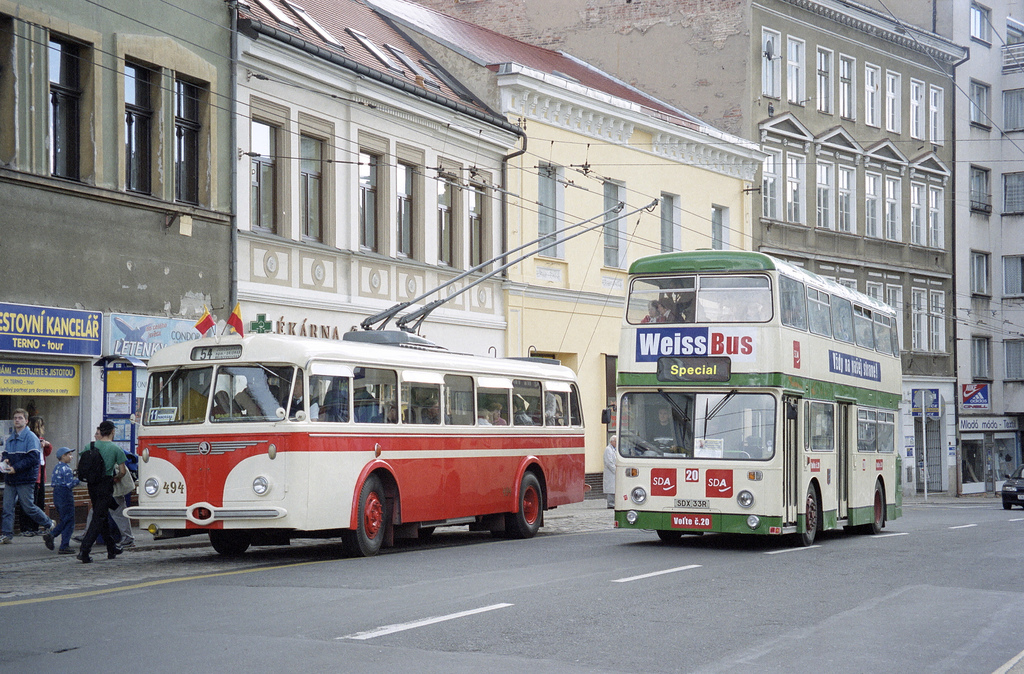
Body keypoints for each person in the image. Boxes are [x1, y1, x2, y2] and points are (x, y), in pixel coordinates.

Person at [0, 408, 56, 547]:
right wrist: (5, 460)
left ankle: (49, 523)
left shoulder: (31, 437)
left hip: (25, 479)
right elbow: (5, 454)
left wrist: (16, 468)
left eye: (20, 418)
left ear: (26, 421)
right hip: (11, 479)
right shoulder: (11, 438)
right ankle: (6, 534)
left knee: (28, 507)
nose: (17, 420)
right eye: (15, 418)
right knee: (7, 508)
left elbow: (32, 458)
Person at [76, 420, 127, 563]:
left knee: (101, 515)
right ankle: (84, 550)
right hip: (106, 483)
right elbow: (122, 471)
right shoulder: (116, 449)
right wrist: (116, 478)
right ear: (112, 432)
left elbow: (81, 464)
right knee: (98, 517)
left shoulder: (90, 446)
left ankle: (111, 548)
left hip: (92, 484)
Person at [19, 416, 52, 536]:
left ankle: (35, 526)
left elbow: (47, 452)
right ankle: (26, 527)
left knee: (39, 501)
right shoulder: (28, 438)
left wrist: (47, 444)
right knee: (29, 502)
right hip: (32, 473)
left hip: (40, 472)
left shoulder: (41, 439)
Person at [50, 447, 79, 554]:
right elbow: (69, 484)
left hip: (56, 493)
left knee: (64, 518)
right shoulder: (66, 469)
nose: (71, 457)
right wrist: (79, 479)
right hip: (65, 494)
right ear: (63, 456)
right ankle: (55, 537)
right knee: (69, 520)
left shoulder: (56, 467)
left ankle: (62, 543)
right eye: (69, 455)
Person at [603, 435, 617, 509]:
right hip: (611, 472)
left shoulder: (615, 449)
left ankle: (614, 503)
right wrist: (615, 470)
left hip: (614, 471)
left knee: (614, 488)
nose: (616, 443)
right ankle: (610, 504)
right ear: (611, 442)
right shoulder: (608, 449)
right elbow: (609, 462)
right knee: (611, 488)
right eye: (615, 441)